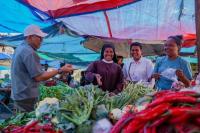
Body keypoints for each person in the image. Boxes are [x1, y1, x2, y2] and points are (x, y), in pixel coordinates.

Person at [11, 24, 74, 112]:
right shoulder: (29, 52)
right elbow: (39, 77)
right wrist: (60, 70)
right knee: (28, 121)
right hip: (26, 96)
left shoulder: (20, 48)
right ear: (29, 37)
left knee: (21, 120)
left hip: (19, 94)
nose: (41, 40)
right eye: (39, 38)